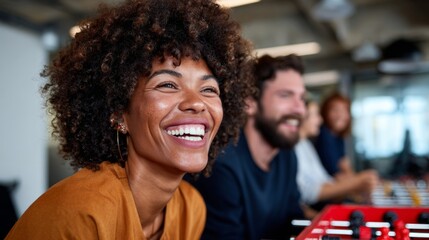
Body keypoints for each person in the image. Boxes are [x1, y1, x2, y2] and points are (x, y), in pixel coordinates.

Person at [6, 0, 255, 239]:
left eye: (209, 89)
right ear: (118, 113)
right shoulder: (77, 213)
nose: (196, 102)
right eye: (168, 84)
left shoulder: (191, 209)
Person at [187, 54, 309, 240]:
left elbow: (293, 220)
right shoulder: (222, 166)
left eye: (302, 98)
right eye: (285, 95)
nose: (299, 109)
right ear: (250, 103)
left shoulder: (287, 156)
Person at [296, 100, 379, 211]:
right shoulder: (299, 145)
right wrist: (356, 183)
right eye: (316, 115)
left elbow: (325, 180)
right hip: (319, 208)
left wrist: (356, 184)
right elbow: (308, 193)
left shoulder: (306, 144)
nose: (320, 121)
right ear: (301, 117)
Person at [314, 91, 354, 177]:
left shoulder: (338, 137)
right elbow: (337, 175)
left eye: (344, 110)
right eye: (335, 110)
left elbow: (345, 166)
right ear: (325, 113)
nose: (340, 115)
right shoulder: (324, 135)